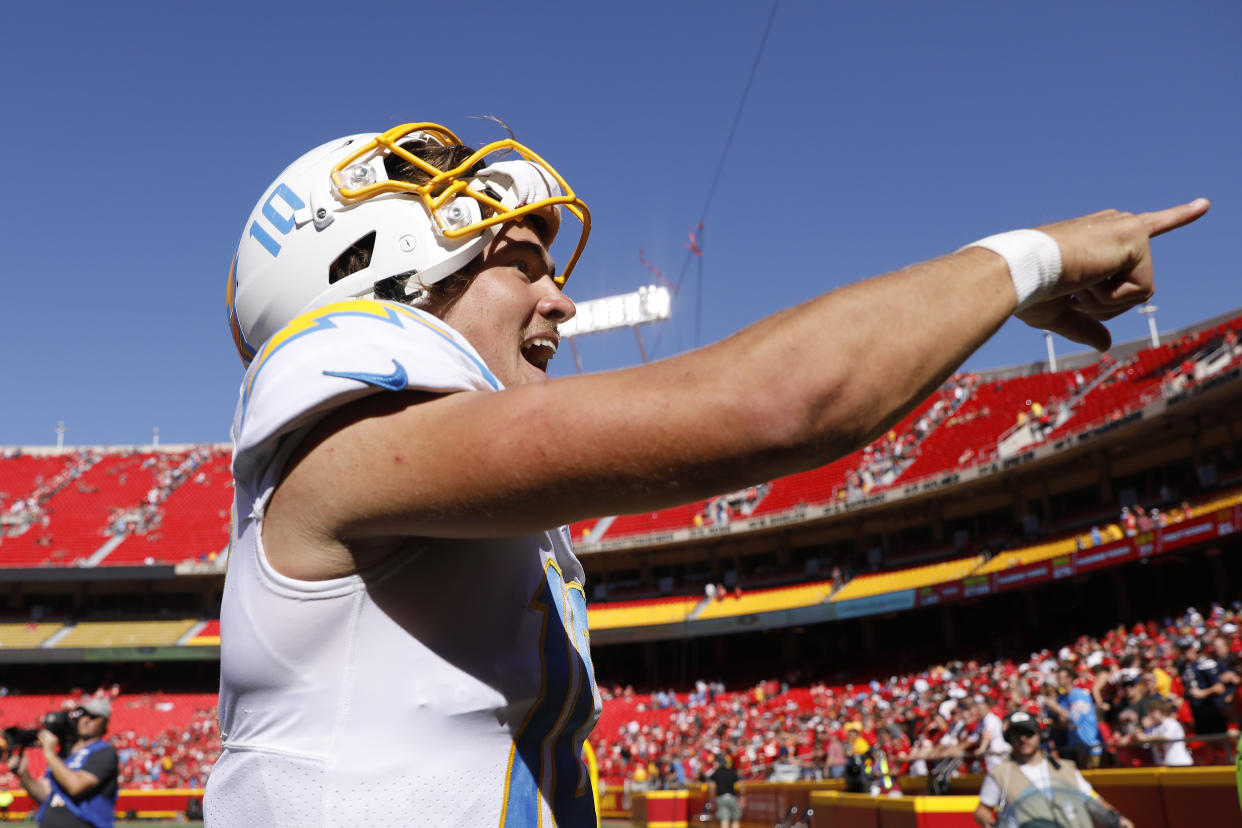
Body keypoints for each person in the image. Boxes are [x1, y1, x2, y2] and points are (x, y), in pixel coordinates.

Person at [208, 118, 1208, 826]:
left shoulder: (425, 475)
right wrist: (1035, 256)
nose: (558, 301)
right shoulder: (346, 428)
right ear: (382, 276)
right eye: (520, 261)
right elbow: (780, 405)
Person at [974, 712, 1132, 828]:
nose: (1023, 739)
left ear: (1039, 735)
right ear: (1009, 738)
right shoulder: (1000, 773)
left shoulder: (1065, 768)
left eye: (1028, 733)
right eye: (1017, 734)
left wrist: (1119, 818)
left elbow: (1094, 801)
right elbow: (982, 811)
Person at [5, 698, 119, 828]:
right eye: (82, 715)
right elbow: (44, 796)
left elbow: (76, 786)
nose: (86, 720)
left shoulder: (105, 752)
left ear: (105, 723)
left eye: (93, 717)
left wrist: (50, 754)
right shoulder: (65, 757)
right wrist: (23, 774)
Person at [1042, 664, 1104, 768]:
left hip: (1090, 745)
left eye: (1060, 678)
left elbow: (1075, 719)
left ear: (1069, 678)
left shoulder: (1079, 695)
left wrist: (1055, 707)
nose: (1057, 680)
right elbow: (1063, 722)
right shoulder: (1062, 698)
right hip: (1076, 746)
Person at [707, 753, 742, 828]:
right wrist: (742, 796)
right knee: (735, 820)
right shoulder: (732, 772)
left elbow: (712, 788)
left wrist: (712, 800)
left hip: (721, 798)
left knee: (724, 820)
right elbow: (740, 785)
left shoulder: (715, 774)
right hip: (732, 797)